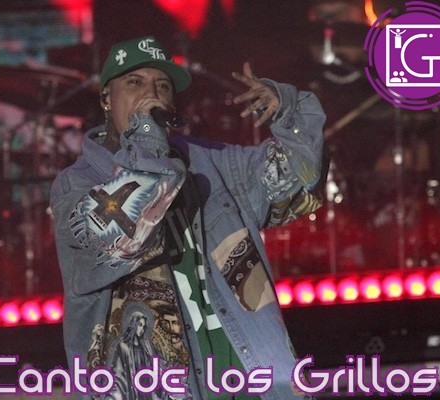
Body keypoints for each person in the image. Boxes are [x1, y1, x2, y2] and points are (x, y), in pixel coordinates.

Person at [50, 36, 326, 399]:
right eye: (134, 82)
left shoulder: (211, 164)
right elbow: (126, 235)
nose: (151, 94)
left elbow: (302, 178)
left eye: (162, 86)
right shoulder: (76, 184)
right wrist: (146, 136)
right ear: (106, 98)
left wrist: (289, 111)